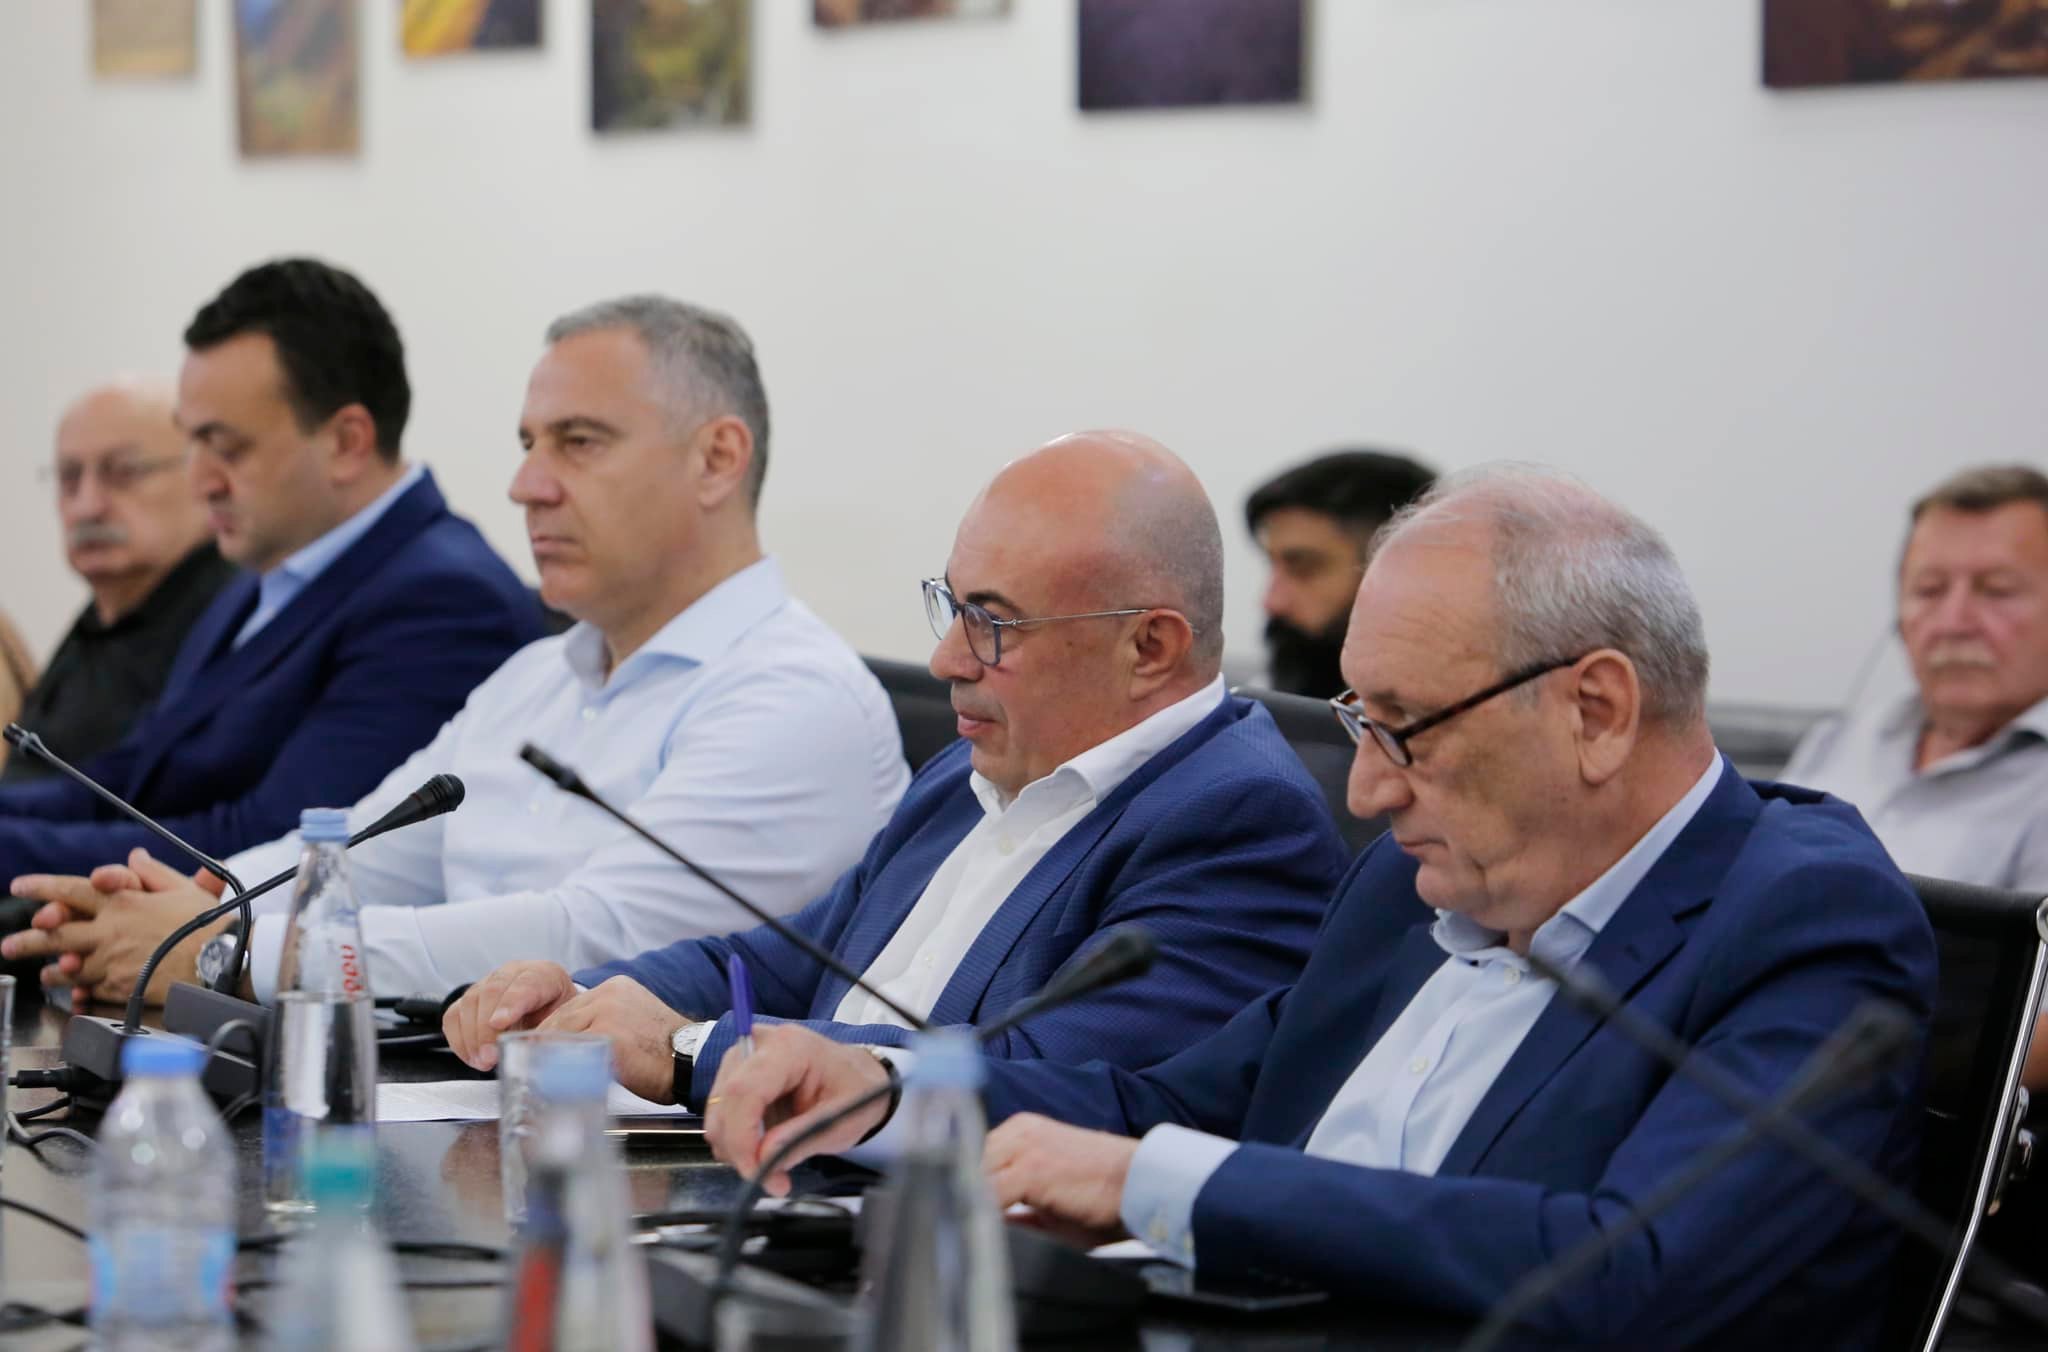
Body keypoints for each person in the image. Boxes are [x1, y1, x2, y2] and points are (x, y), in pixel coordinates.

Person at [701, 466, 1937, 1350]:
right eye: (1356, 721)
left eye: (1403, 727)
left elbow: (1629, 1268)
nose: (1364, 789)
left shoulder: (1803, 920)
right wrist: (885, 1089)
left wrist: (1165, 1186)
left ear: (1596, 710)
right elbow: (1162, 1103)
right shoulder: (1408, 881)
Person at [3, 296, 911, 1007]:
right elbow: (357, 857)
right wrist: (187, 902)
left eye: (579, 443)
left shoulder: (793, 697)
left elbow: (597, 937)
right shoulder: (535, 678)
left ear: (716, 459)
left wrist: (228, 947)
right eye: (528, 444)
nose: (526, 485)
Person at [442, 431, 1348, 1109]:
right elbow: (782, 961)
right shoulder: (969, 772)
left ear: (1149, 647)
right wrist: (586, 999)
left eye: (992, 623)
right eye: (952, 606)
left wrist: (687, 1050)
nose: (948, 658)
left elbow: (1048, 1077)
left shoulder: (1235, 821)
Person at [0, 258, 539, 885]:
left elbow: (282, 846)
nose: (200, 480)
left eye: (226, 448)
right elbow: (131, 778)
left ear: (347, 442)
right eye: (192, 443)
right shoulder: (263, 576)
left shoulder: (445, 603)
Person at [1785, 463, 2048, 1084]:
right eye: (1929, 590)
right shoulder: (1843, 740)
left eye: (1997, 591)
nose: (1955, 621)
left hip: (1898, 1101)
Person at [3, 380, 237, 783]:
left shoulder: (237, 620)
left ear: (204, 476)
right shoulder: (104, 617)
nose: (87, 506)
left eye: (124, 472)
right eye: (69, 478)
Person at [1244, 448, 1434, 697]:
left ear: (1401, 568)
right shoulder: (1260, 699)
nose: (1272, 602)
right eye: (1273, 565)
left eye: (1303, 568)